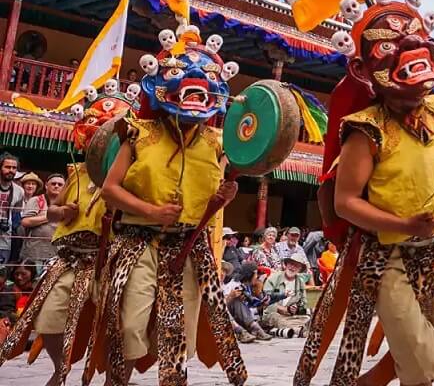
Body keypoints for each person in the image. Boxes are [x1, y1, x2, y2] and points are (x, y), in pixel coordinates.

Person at [295, 0, 434, 386]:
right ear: (362, 70)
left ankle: (380, 378)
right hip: (384, 257)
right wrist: (404, 225)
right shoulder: (365, 130)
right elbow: (346, 202)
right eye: (389, 45)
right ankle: (374, 379)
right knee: (419, 355)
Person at [98, 26, 244, 384]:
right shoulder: (139, 133)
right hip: (138, 242)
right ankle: (117, 379)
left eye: (206, 74)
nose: (195, 81)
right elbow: (109, 189)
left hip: (188, 249)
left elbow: (216, 192)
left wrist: (226, 196)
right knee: (128, 324)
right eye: (181, 72)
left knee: (176, 336)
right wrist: (149, 211)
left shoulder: (217, 142)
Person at [0, 87, 132, 385]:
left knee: (116, 326)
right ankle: (61, 370)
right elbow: (52, 212)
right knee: (47, 322)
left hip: (111, 259)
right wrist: (62, 213)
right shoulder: (78, 171)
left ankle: (115, 379)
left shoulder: (131, 171)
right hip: (70, 259)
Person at [262, 251, 310, 338]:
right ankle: (298, 330)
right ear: (286, 264)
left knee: (307, 318)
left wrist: (295, 308)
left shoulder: (300, 282)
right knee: (276, 318)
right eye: (291, 264)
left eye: (296, 266)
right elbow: (265, 300)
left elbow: (303, 303)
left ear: (299, 269)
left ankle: (292, 330)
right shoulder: (273, 278)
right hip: (273, 314)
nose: (292, 267)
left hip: (291, 317)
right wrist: (281, 309)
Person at [18, 172, 57, 268]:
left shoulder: (66, 203)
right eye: (53, 183)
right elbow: (25, 222)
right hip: (34, 254)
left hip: (55, 255)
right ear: (46, 186)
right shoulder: (37, 200)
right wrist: (51, 216)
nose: (56, 186)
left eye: (60, 184)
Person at [0, 155, 24, 268]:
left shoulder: (19, 191)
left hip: (4, 239)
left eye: (14, 168)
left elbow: (16, 215)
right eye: (7, 167)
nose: (11, 170)